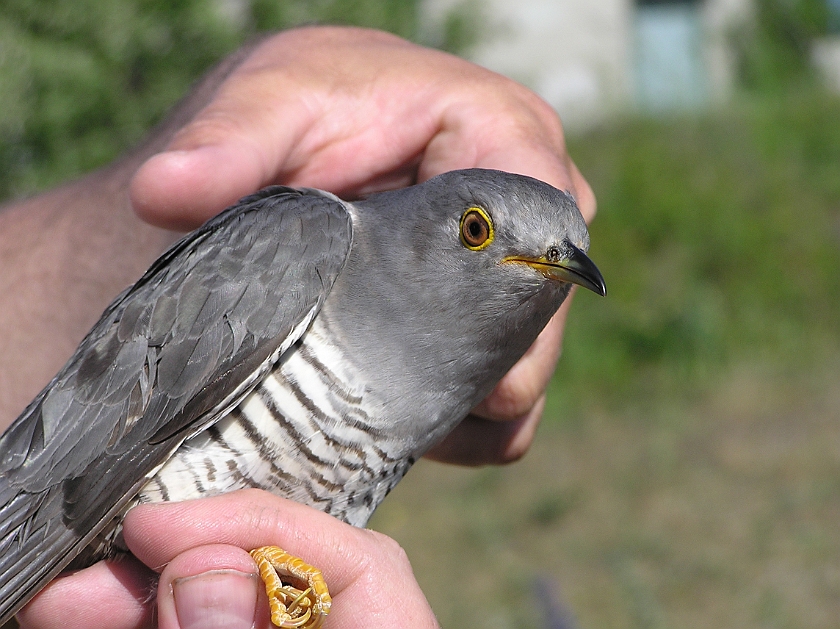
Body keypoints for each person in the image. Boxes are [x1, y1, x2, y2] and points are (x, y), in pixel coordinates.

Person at [1, 26, 596, 629]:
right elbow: (77, 477)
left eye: (567, 256)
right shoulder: (309, 240)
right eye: (477, 230)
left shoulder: (463, 374)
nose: (547, 263)